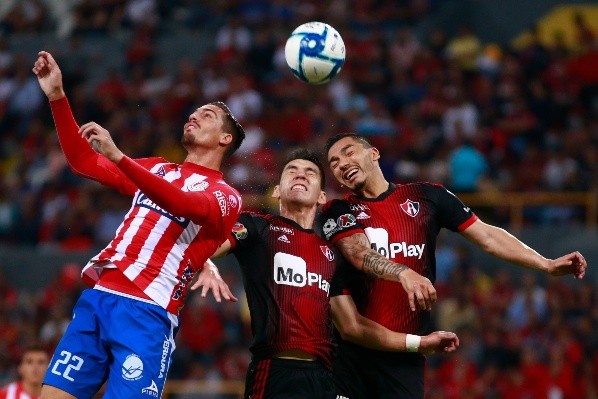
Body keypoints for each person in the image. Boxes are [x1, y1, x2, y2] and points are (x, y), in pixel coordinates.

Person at [32, 51, 245, 399]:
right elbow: (84, 160)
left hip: (147, 313)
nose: (193, 116)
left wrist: (120, 157)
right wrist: (57, 96)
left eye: (206, 116)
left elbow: (182, 203)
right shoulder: (159, 169)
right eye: (193, 113)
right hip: (100, 298)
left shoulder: (225, 195)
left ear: (225, 140)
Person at [322, 132, 588, 399]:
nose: (342, 163)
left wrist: (545, 263)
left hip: (406, 357)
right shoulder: (337, 211)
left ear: (374, 153)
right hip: (351, 360)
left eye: (348, 152)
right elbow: (358, 253)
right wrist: (404, 273)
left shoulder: (426, 196)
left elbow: (487, 236)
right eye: (333, 162)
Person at [192, 148, 459, 399]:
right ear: (277, 191)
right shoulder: (257, 227)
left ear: (321, 196)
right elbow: (208, 244)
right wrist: (207, 263)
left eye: (310, 172)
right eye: (291, 170)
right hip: (275, 372)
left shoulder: (330, 255)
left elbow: (354, 327)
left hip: (324, 380)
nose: (300, 174)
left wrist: (420, 342)